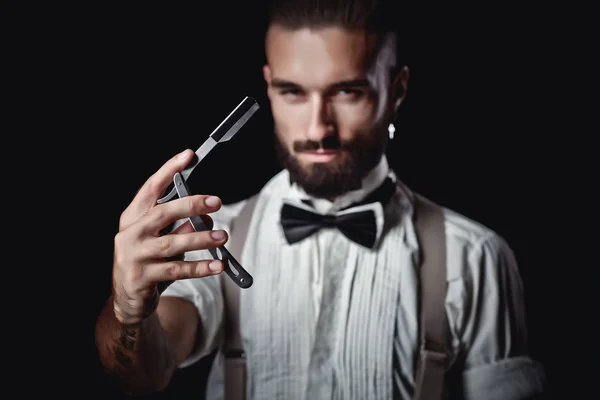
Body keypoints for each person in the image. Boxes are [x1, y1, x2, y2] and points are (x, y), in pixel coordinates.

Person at [94, 0, 547, 399]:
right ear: (269, 87)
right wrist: (129, 312)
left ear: (398, 90)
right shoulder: (211, 241)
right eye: (292, 92)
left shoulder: (476, 258)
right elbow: (144, 374)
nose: (318, 129)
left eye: (347, 91)